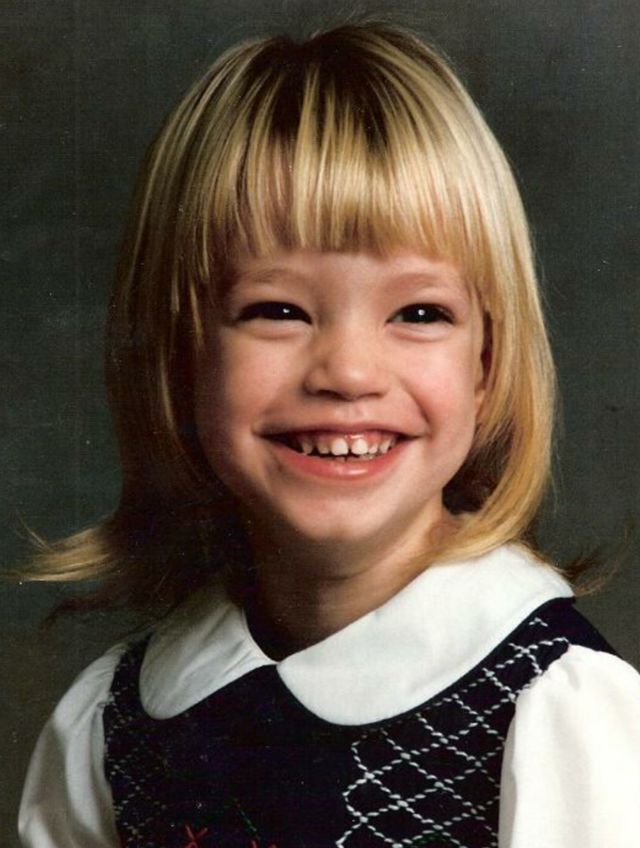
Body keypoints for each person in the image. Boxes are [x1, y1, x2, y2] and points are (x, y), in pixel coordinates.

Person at [17, 22, 640, 848]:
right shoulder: (111, 728)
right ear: (178, 356)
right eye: (277, 310)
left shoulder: (557, 711)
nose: (348, 372)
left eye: (420, 313)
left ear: (487, 363)